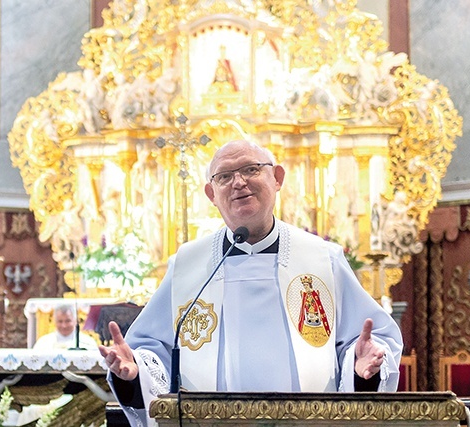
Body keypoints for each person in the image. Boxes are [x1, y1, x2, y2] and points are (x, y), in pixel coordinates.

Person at [99, 139, 403, 426]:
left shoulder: (322, 259)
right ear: (211, 195)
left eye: (251, 169)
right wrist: (136, 373)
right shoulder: (188, 265)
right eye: (224, 177)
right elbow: (154, 352)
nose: (239, 183)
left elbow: (368, 344)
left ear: (277, 178)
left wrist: (360, 370)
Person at [33, 304, 98, 350]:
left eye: (68, 321)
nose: (64, 325)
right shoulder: (43, 343)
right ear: (54, 322)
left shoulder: (89, 343)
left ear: (75, 321)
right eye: (60, 321)